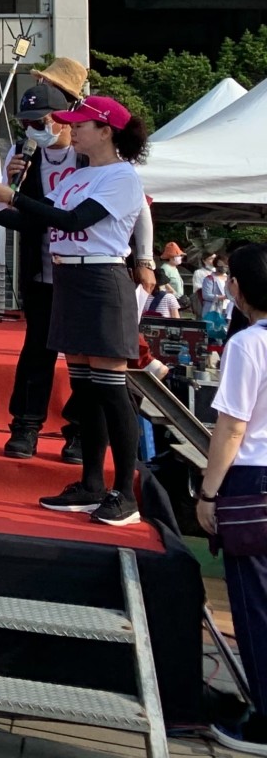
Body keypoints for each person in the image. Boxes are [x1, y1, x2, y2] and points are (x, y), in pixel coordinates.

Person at [0, 94, 151, 527]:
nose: (72, 130)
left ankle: (123, 492)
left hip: (102, 278)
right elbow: (39, 221)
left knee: (111, 390)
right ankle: (91, 484)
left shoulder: (122, 176)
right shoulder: (78, 175)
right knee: (85, 389)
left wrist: (13, 197)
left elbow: (76, 221)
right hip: (68, 278)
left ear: (106, 131)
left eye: (80, 124)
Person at [194, 244, 267, 755]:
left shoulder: (248, 343)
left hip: (252, 481)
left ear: (236, 288)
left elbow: (232, 427)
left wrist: (208, 492)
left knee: (255, 605)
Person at [0, 73, 87, 460]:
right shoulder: (24, 157)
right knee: (37, 349)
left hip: (84, 270)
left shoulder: (86, 154)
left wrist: (144, 258)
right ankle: (26, 424)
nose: (34, 130)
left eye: (41, 121)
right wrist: (6, 187)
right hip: (41, 269)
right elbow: (21, 216)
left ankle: (80, 430)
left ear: (63, 118)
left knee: (83, 354)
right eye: (27, 123)